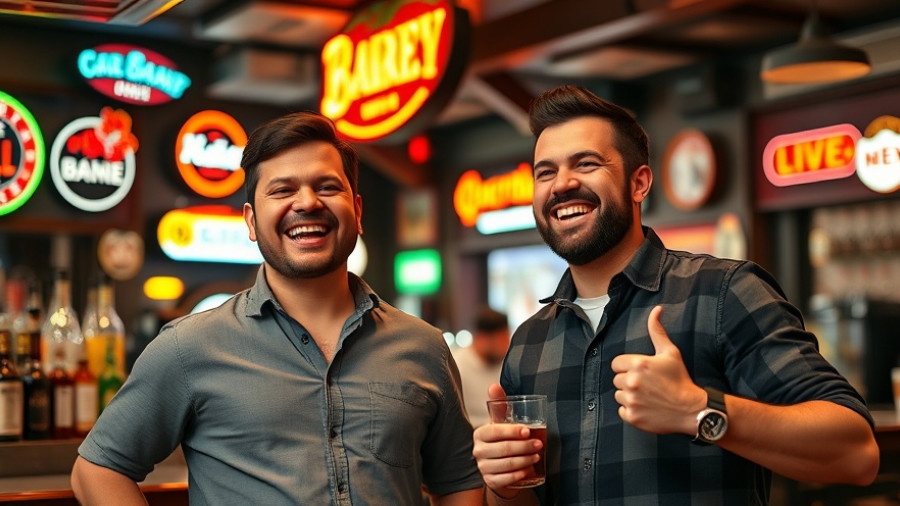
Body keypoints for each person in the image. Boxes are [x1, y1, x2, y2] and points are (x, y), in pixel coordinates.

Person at [472, 85, 880, 505]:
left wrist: (699, 410)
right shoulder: (530, 342)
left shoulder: (723, 293)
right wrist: (503, 484)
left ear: (639, 183)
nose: (562, 184)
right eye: (545, 172)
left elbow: (855, 453)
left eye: (586, 163)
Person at [71, 111, 484, 506]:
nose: (307, 202)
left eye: (327, 187)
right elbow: (98, 469)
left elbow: (460, 482)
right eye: (283, 190)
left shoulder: (423, 347)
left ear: (356, 212)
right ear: (251, 221)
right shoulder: (188, 348)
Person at [453, 307, 511, 427]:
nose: (507, 346)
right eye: (502, 340)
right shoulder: (457, 366)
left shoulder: (506, 364)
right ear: (482, 338)